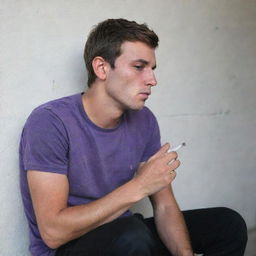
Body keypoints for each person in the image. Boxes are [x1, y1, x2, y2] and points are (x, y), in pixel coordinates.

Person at [19, 18, 247, 256]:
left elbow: (165, 207)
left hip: (127, 236)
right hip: (71, 247)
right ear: (102, 68)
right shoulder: (50, 122)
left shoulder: (144, 119)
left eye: (152, 69)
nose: (152, 80)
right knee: (132, 236)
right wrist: (139, 185)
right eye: (139, 67)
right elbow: (53, 233)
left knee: (228, 224)